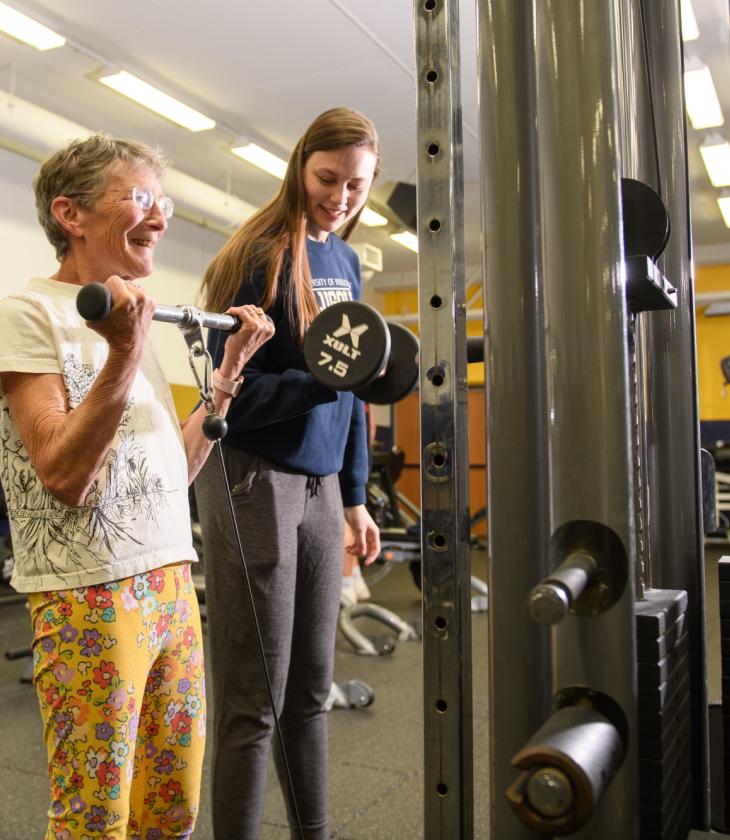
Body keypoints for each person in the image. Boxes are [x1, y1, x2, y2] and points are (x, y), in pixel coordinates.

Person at [0, 134, 273, 840]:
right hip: (88, 593)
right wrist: (122, 352)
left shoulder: (131, 319)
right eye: (141, 198)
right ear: (71, 213)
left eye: (165, 203)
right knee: (96, 815)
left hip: (171, 588)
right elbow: (63, 475)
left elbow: (173, 473)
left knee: (171, 807)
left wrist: (227, 375)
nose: (160, 218)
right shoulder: (31, 314)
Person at [194, 106, 382, 839]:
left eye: (356, 185)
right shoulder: (260, 253)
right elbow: (229, 396)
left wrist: (356, 498)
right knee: (254, 701)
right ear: (301, 165)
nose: (340, 196)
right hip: (254, 476)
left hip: (321, 484)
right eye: (327, 178)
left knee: (309, 689)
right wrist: (324, 379)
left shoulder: (347, 259)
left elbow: (357, 388)